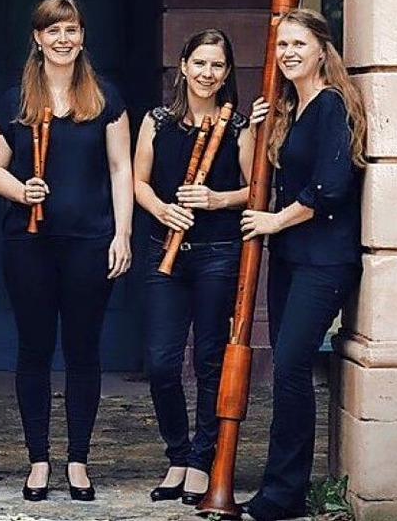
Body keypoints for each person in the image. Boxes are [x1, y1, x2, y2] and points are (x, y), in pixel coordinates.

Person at [0, 0, 133, 502]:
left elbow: (121, 168)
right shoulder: (14, 101)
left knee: (83, 351)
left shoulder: (106, 98)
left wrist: (123, 233)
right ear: (38, 37)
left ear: (82, 36)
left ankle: (77, 460)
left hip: (90, 241)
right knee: (33, 349)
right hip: (28, 244)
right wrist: (20, 191)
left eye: (71, 30)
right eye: (54, 30)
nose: (63, 39)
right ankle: (38, 461)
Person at [240, 8, 367, 521]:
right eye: (282, 46)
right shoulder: (292, 108)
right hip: (292, 257)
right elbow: (261, 178)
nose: (288, 53)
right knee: (286, 371)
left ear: (321, 49)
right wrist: (252, 132)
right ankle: (280, 488)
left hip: (324, 260)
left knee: (292, 365)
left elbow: (328, 189)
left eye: (298, 44)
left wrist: (273, 223)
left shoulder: (333, 105)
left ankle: (285, 493)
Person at [133, 29, 264, 505]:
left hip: (218, 252)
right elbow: (139, 182)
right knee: (163, 363)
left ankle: (201, 461)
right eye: (200, 63)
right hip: (162, 248)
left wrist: (214, 199)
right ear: (183, 65)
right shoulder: (157, 121)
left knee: (210, 360)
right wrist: (162, 210)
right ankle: (177, 453)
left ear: (227, 73)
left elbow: (255, 191)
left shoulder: (240, 127)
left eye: (217, 66)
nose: (207, 74)